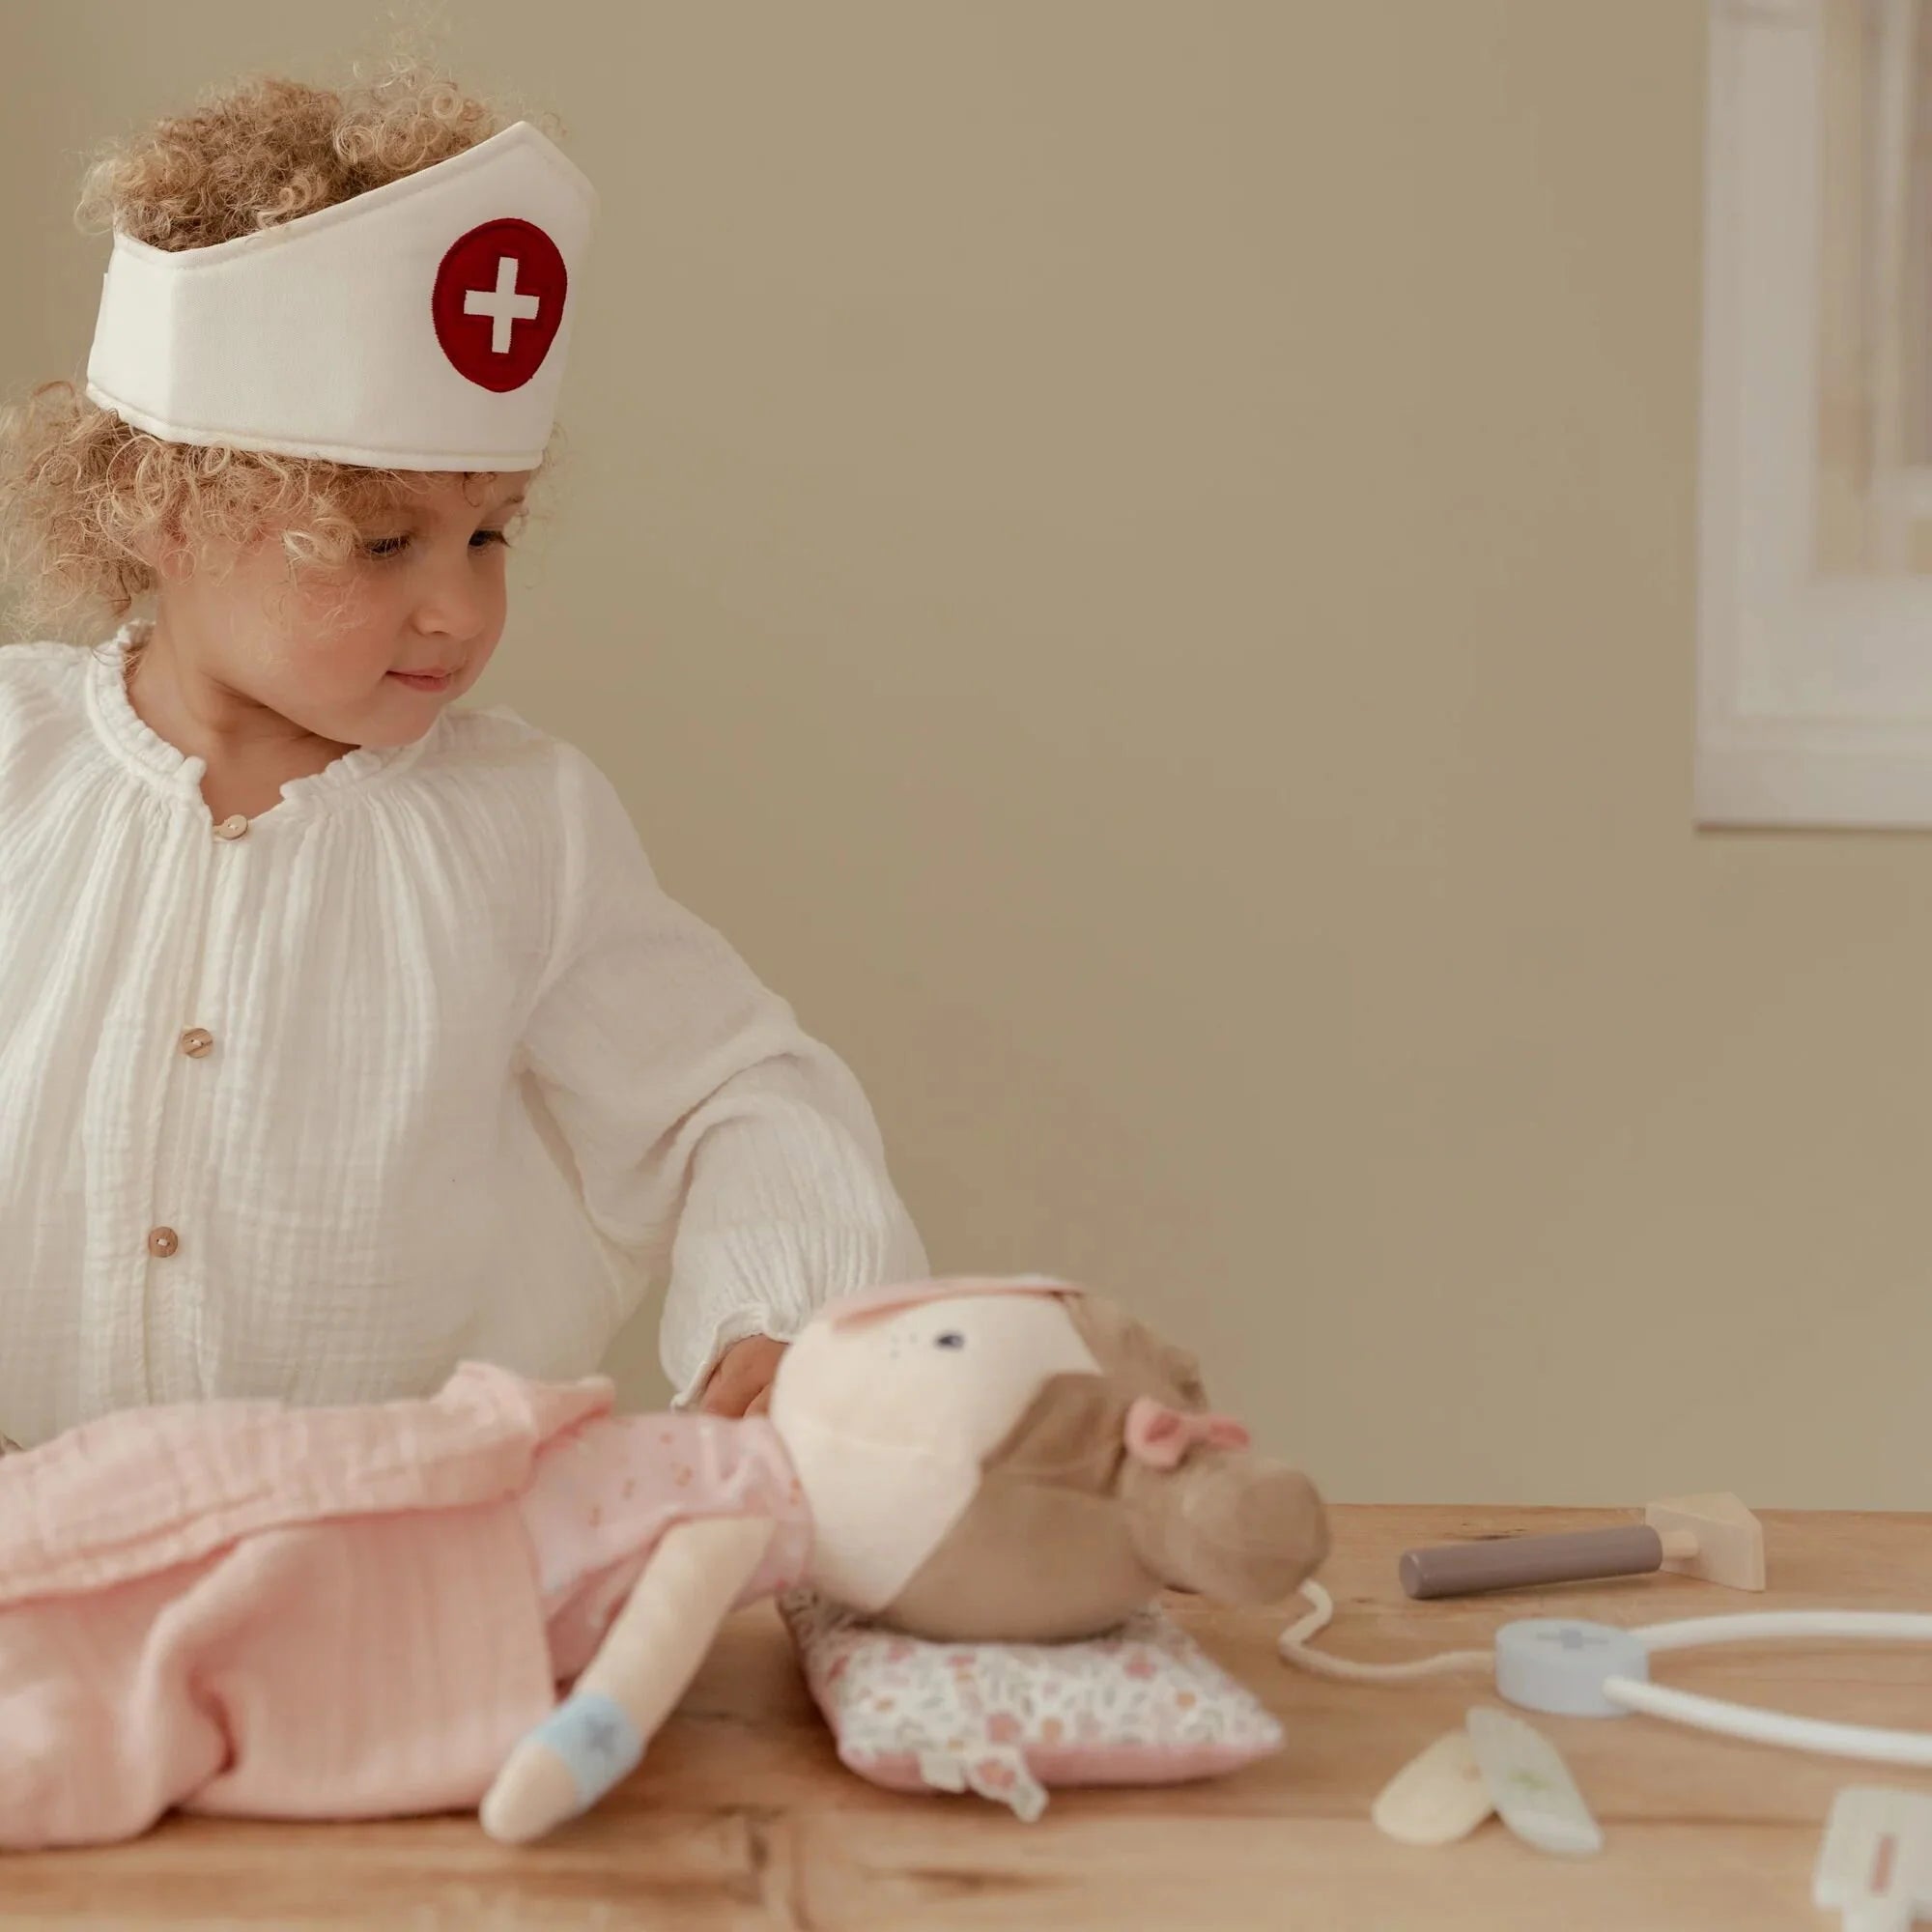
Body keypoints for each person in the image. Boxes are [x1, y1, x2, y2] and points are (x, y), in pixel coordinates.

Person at [0, 64, 926, 1447]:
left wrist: (781, 1306)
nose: (461, 608)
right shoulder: (18, 761)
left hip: (402, 1558)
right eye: (383, 544)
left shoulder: (521, 829)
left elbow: (734, 1093)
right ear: (160, 510)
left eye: (488, 533)